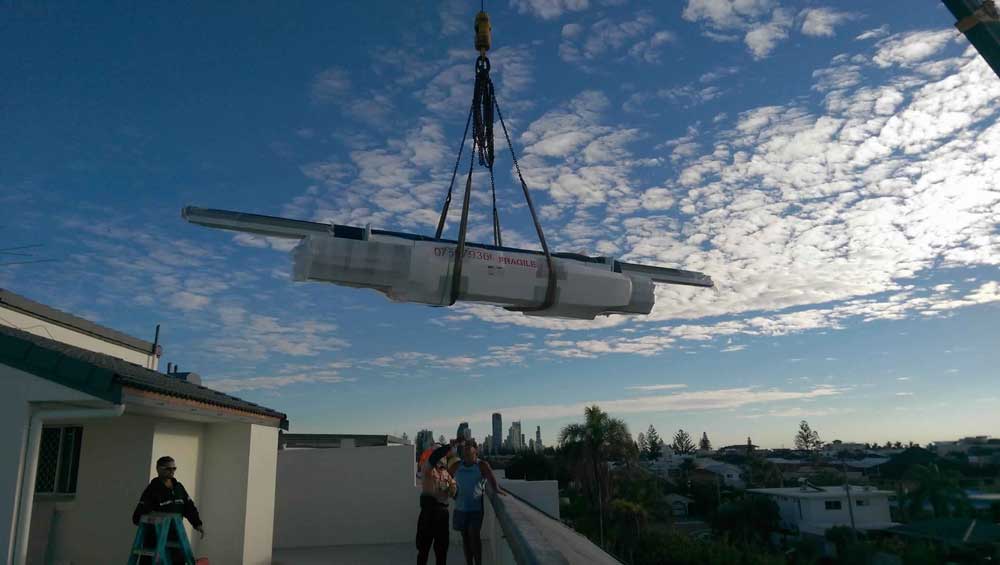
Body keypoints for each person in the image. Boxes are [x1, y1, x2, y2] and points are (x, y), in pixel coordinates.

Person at [132, 456, 204, 562]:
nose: (172, 471)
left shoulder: (178, 488)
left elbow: (189, 507)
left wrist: (197, 524)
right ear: (159, 469)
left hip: (175, 538)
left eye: (174, 469)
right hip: (156, 539)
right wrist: (156, 517)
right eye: (168, 469)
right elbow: (138, 516)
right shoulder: (152, 490)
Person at [448, 440, 503, 565]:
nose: (466, 453)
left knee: (474, 536)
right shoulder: (457, 465)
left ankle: (478, 563)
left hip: (476, 509)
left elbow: (493, 482)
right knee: (465, 539)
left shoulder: (482, 465)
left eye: (469, 450)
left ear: (475, 451)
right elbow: (447, 479)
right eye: (464, 450)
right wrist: (451, 491)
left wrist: (498, 490)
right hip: (460, 508)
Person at [417, 441, 458, 565]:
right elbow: (435, 456)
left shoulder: (446, 473)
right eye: (439, 453)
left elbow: (454, 492)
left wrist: (451, 489)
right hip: (428, 513)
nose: (441, 457)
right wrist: (449, 447)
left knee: (442, 550)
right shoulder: (427, 468)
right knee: (423, 549)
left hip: (442, 514)